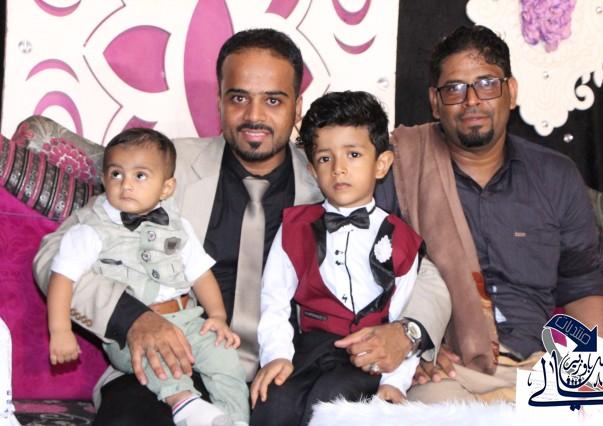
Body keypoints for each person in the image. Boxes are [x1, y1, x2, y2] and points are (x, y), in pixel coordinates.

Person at [33, 29, 450, 425]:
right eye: (238, 98)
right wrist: (131, 318)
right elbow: (53, 254)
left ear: (297, 107)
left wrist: (407, 333)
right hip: (172, 363)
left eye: (273, 100)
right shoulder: (164, 167)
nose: (254, 116)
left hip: (293, 374)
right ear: (218, 101)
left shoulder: (331, 175)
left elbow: (422, 273)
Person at [386, 25, 603, 402]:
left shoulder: (555, 176)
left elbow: (582, 289)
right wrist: (414, 347)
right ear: (434, 102)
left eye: (487, 84)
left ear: (510, 91)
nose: (471, 100)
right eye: (454, 88)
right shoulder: (402, 170)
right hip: (447, 372)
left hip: (540, 368)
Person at [46, 128, 248, 426]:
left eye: (140, 176)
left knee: (225, 358)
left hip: (189, 319)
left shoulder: (178, 225)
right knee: (158, 360)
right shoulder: (91, 230)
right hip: (131, 335)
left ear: (166, 188)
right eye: (116, 174)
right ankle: (185, 404)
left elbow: (201, 274)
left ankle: (235, 419)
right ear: (104, 180)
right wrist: (60, 329)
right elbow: (62, 278)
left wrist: (217, 316)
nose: (126, 184)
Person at [250, 91, 426, 425]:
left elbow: (402, 319)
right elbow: (274, 300)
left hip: (367, 358)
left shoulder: (404, 240)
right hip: (308, 350)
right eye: (325, 158)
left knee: (333, 404)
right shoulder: (293, 226)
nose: (339, 169)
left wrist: (393, 382)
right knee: (274, 401)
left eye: (353, 154)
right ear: (312, 170)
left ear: (381, 164)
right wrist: (277, 355)